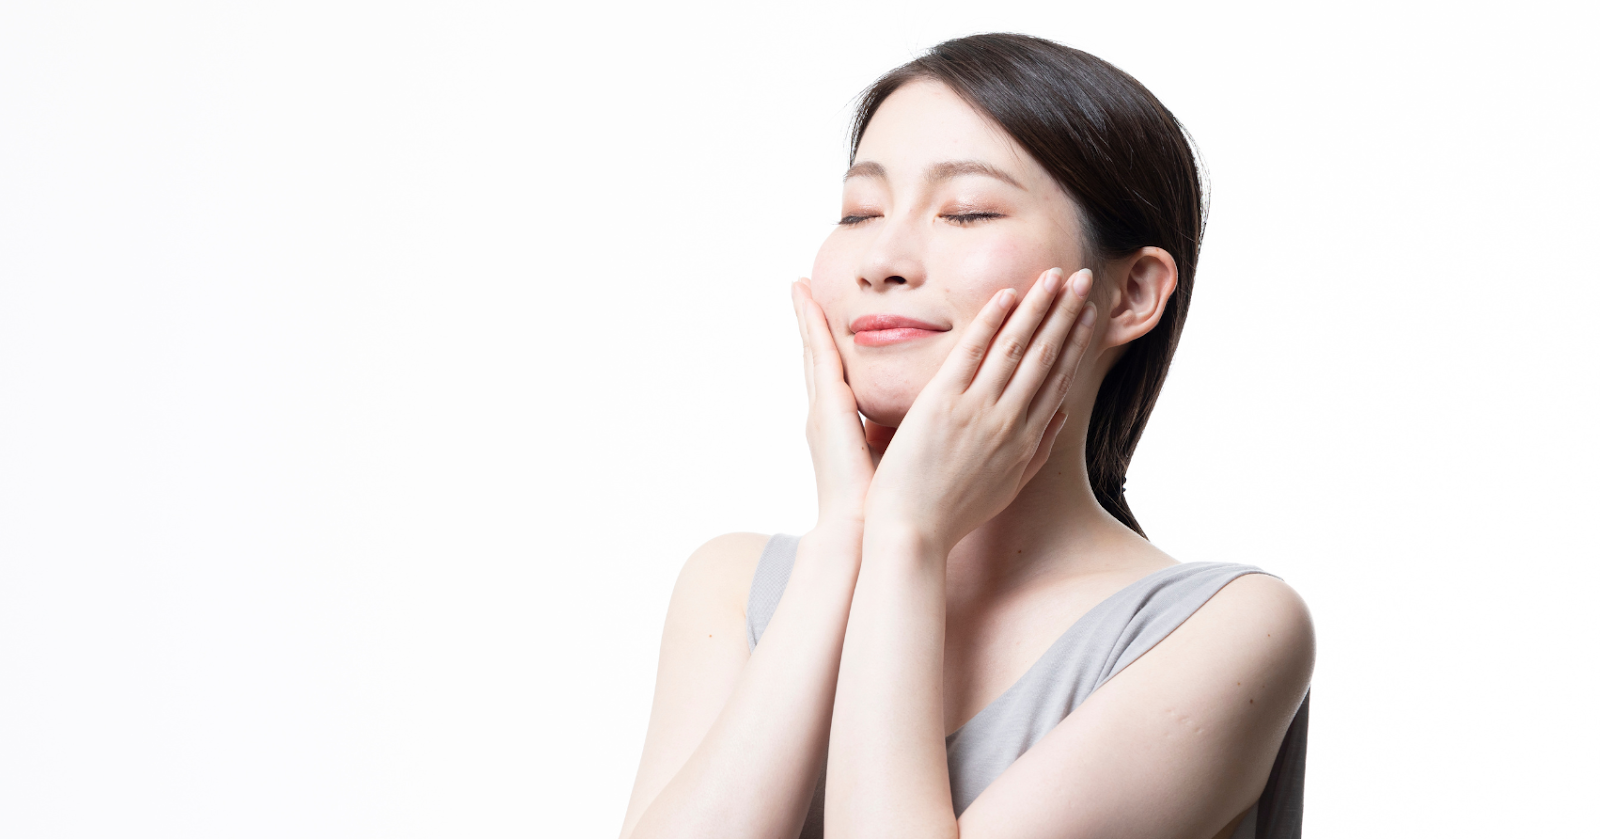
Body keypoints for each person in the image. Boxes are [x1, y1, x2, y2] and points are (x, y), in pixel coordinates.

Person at [619, 33, 1314, 839]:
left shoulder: (1223, 628)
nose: (882, 257)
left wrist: (908, 536)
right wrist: (848, 535)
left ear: (1132, 293)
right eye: (859, 212)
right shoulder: (734, 586)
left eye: (967, 212)